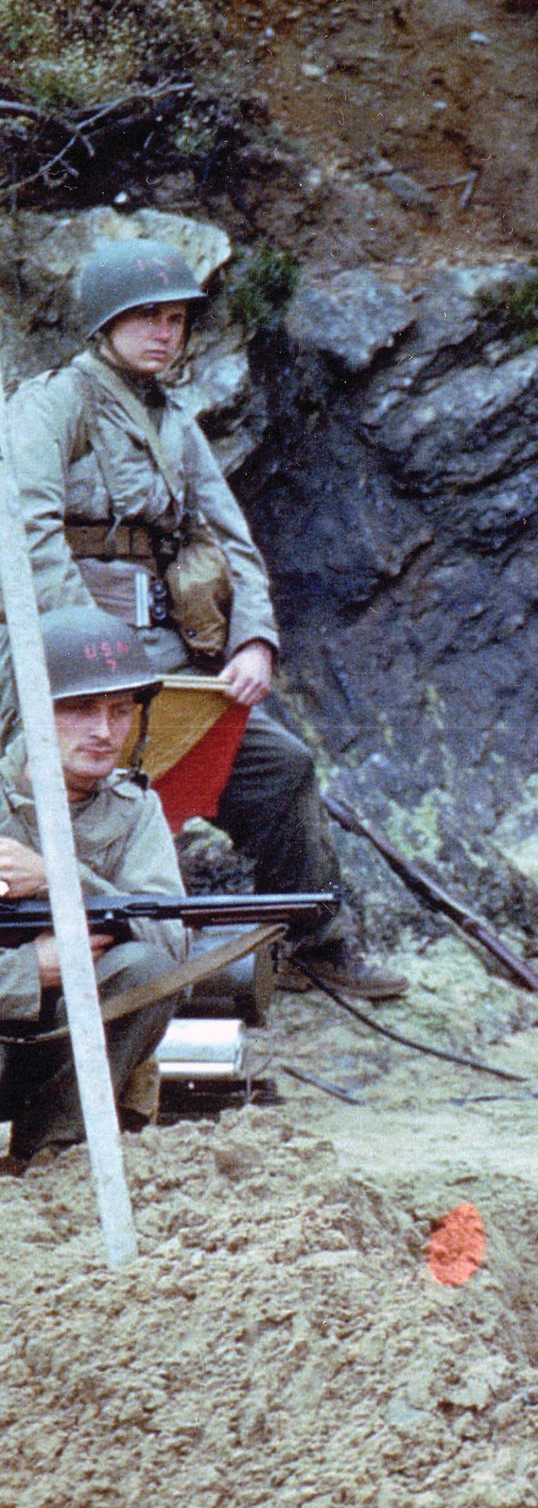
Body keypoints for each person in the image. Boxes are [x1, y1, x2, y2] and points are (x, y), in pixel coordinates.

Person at [5, 237, 405, 999]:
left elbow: (229, 536)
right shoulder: (53, 403)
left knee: (281, 768)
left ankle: (317, 945)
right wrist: (89, 656)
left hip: (175, 663)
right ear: (104, 322)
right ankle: (52, 959)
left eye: (178, 319)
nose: (165, 332)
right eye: (146, 317)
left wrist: (254, 637)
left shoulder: (174, 421)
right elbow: (26, 533)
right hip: (66, 662)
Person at [0, 609, 192, 1168]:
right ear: (35, 708)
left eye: (120, 710)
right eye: (81, 709)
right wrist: (30, 972)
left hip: (58, 1057)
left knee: (145, 968)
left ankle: (55, 1154)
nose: (105, 732)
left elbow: (172, 948)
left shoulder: (134, 811)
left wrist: (63, 882)